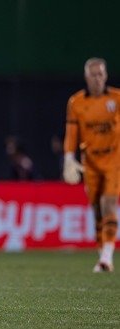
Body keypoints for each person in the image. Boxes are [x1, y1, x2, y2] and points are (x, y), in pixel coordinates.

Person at [63, 57, 119, 272]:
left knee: (108, 203)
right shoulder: (76, 103)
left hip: (114, 159)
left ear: (105, 76)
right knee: (96, 209)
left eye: (100, 74)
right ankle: (102, 253)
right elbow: (72, 133)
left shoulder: (117, 99)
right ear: (86, 77)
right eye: (93, 74)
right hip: (91, 162)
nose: (97, 78)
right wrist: (68, 157)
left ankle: (107, 255)